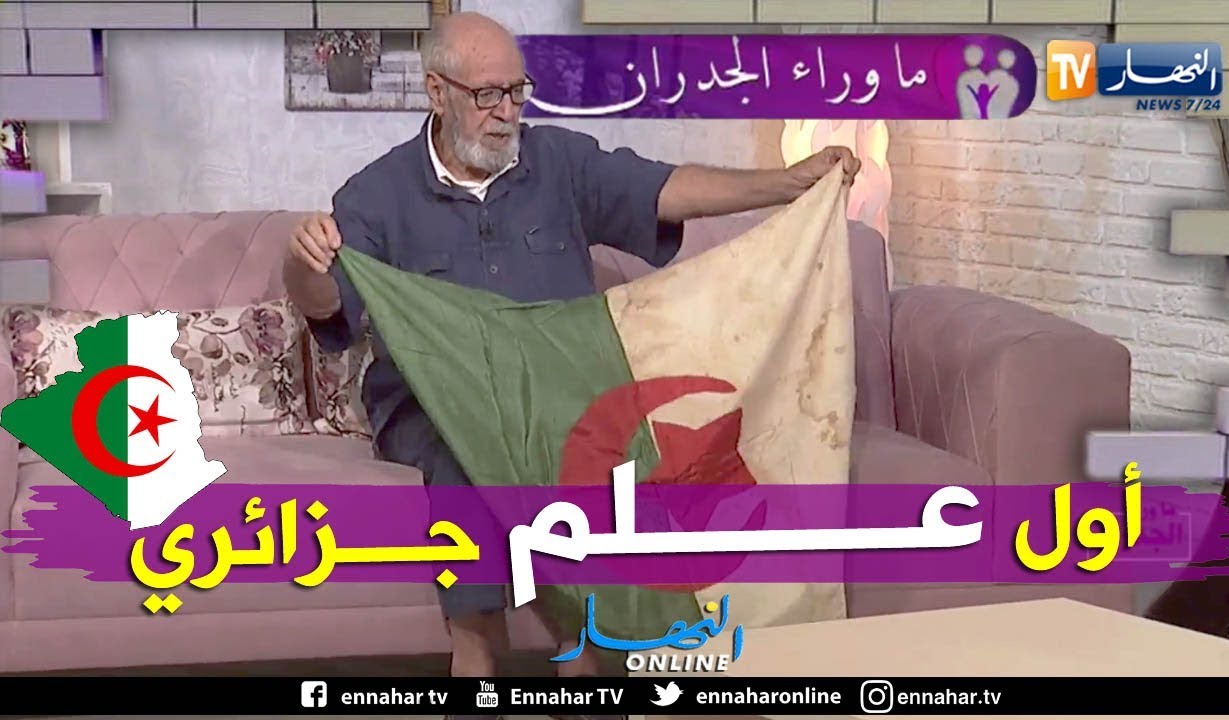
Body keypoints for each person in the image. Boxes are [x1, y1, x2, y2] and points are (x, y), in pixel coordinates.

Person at [283, 11, 859, 681]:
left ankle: (585, 655)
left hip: (556, 389)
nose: (507, 113)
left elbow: (665, 187)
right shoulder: (375, 195)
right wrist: (303, 261)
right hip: (433, 402)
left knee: (599, 445)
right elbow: (327, 303)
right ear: (437, 92)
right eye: (487, 95)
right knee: (464, 443)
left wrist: (789, 182)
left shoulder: (559, 162)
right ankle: (476, 652)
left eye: (516, 91)